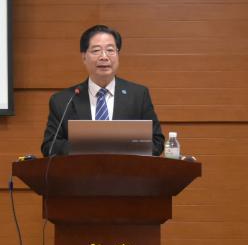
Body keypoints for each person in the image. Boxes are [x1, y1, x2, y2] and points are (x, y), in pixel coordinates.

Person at [41, 24, 165, 156]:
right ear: (84, 56)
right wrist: (89, 147)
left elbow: (157, 142)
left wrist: (118, 146)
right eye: (96, 51)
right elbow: (49, 146)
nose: (104, 57)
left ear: (118, 54)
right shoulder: (62, 100)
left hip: (126, 169)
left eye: (110, 50)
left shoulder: (138, 95)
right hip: (81, 169)